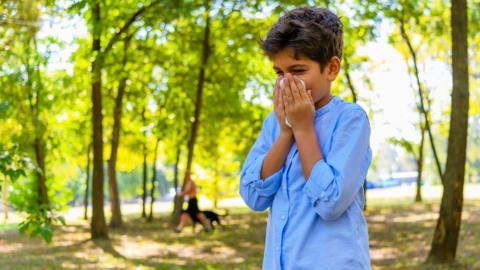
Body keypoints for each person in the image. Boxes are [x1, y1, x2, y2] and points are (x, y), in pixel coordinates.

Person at [239, 6, 372, 270]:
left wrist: (303, 129)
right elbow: (253, 195)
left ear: (331, 69)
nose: (285, 83)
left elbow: (331, 202)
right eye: (279, 72)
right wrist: (286, 131)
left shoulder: (351, 120)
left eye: (298, 71)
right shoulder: (274, 122)